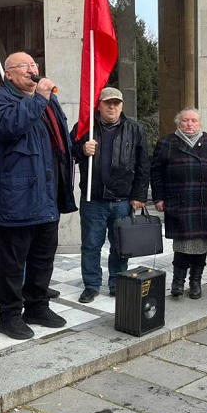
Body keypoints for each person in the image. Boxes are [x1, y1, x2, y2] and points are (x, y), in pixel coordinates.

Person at [0, 51, 76, 340]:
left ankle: (37, 306)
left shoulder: (48, 101)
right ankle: (9, 315)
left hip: (47, 194)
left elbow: (60, 140)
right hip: (15, 197)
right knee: (11, 262)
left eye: (34, 65)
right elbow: (10, 127)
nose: (32, 69)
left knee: (42, 257)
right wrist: (39, 100)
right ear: (8, 74)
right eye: (24, 66)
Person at [72, 87, 149, 303]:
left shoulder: (134, 129)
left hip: (122, 200)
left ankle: (116, 282)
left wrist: (139, 195)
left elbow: (143, 165)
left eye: (116, 103)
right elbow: (68, 151)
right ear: (99, 105)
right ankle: (91, 285)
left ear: (122, 106)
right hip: (93, 200)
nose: (112, 107)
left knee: (120, 245)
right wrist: (81, 150)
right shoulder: (85, 127)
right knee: (90, 245)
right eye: (108, 103)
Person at [151, 108, 207, 299]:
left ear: (200, 123)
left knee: (202, 244)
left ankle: (195, 282)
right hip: (181, 202)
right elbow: (156, 173)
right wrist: (158, 197)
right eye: (185, 120)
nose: (189, 124)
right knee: (183, 245)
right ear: (179, 123)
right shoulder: (167, 142)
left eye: (194, 121)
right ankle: (178, 282)